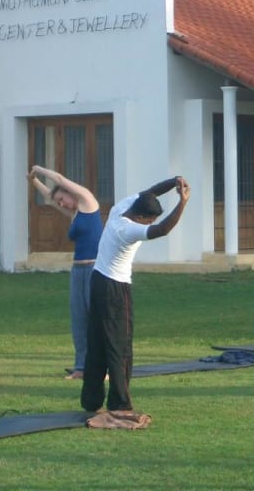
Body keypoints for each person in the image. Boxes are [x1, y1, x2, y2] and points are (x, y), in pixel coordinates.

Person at [80, 176, 190, 413]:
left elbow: (150, 192)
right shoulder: (127, 230)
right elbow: (162, 230)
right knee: (120, 346)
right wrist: (182, 202)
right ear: (141, 218)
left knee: (96, 342)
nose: (149, 222)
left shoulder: (122, 207)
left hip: (97, 280)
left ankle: (91, 401)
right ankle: (120, 403)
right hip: (115, 289)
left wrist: (173, 182)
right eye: (149, 219)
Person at [27, 164, 102, 381]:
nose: (61, 204)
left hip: (95, 267)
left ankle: (101, 367)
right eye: (60, 202)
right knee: (78, 319)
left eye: (63, 199)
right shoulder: (75, 214)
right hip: (78, 269)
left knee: (95, 318)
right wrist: (34, 183)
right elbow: (50, 199)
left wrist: (39, 169)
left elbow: (59, 178)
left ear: (71, 193)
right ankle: (81, 367)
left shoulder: (88, 201)